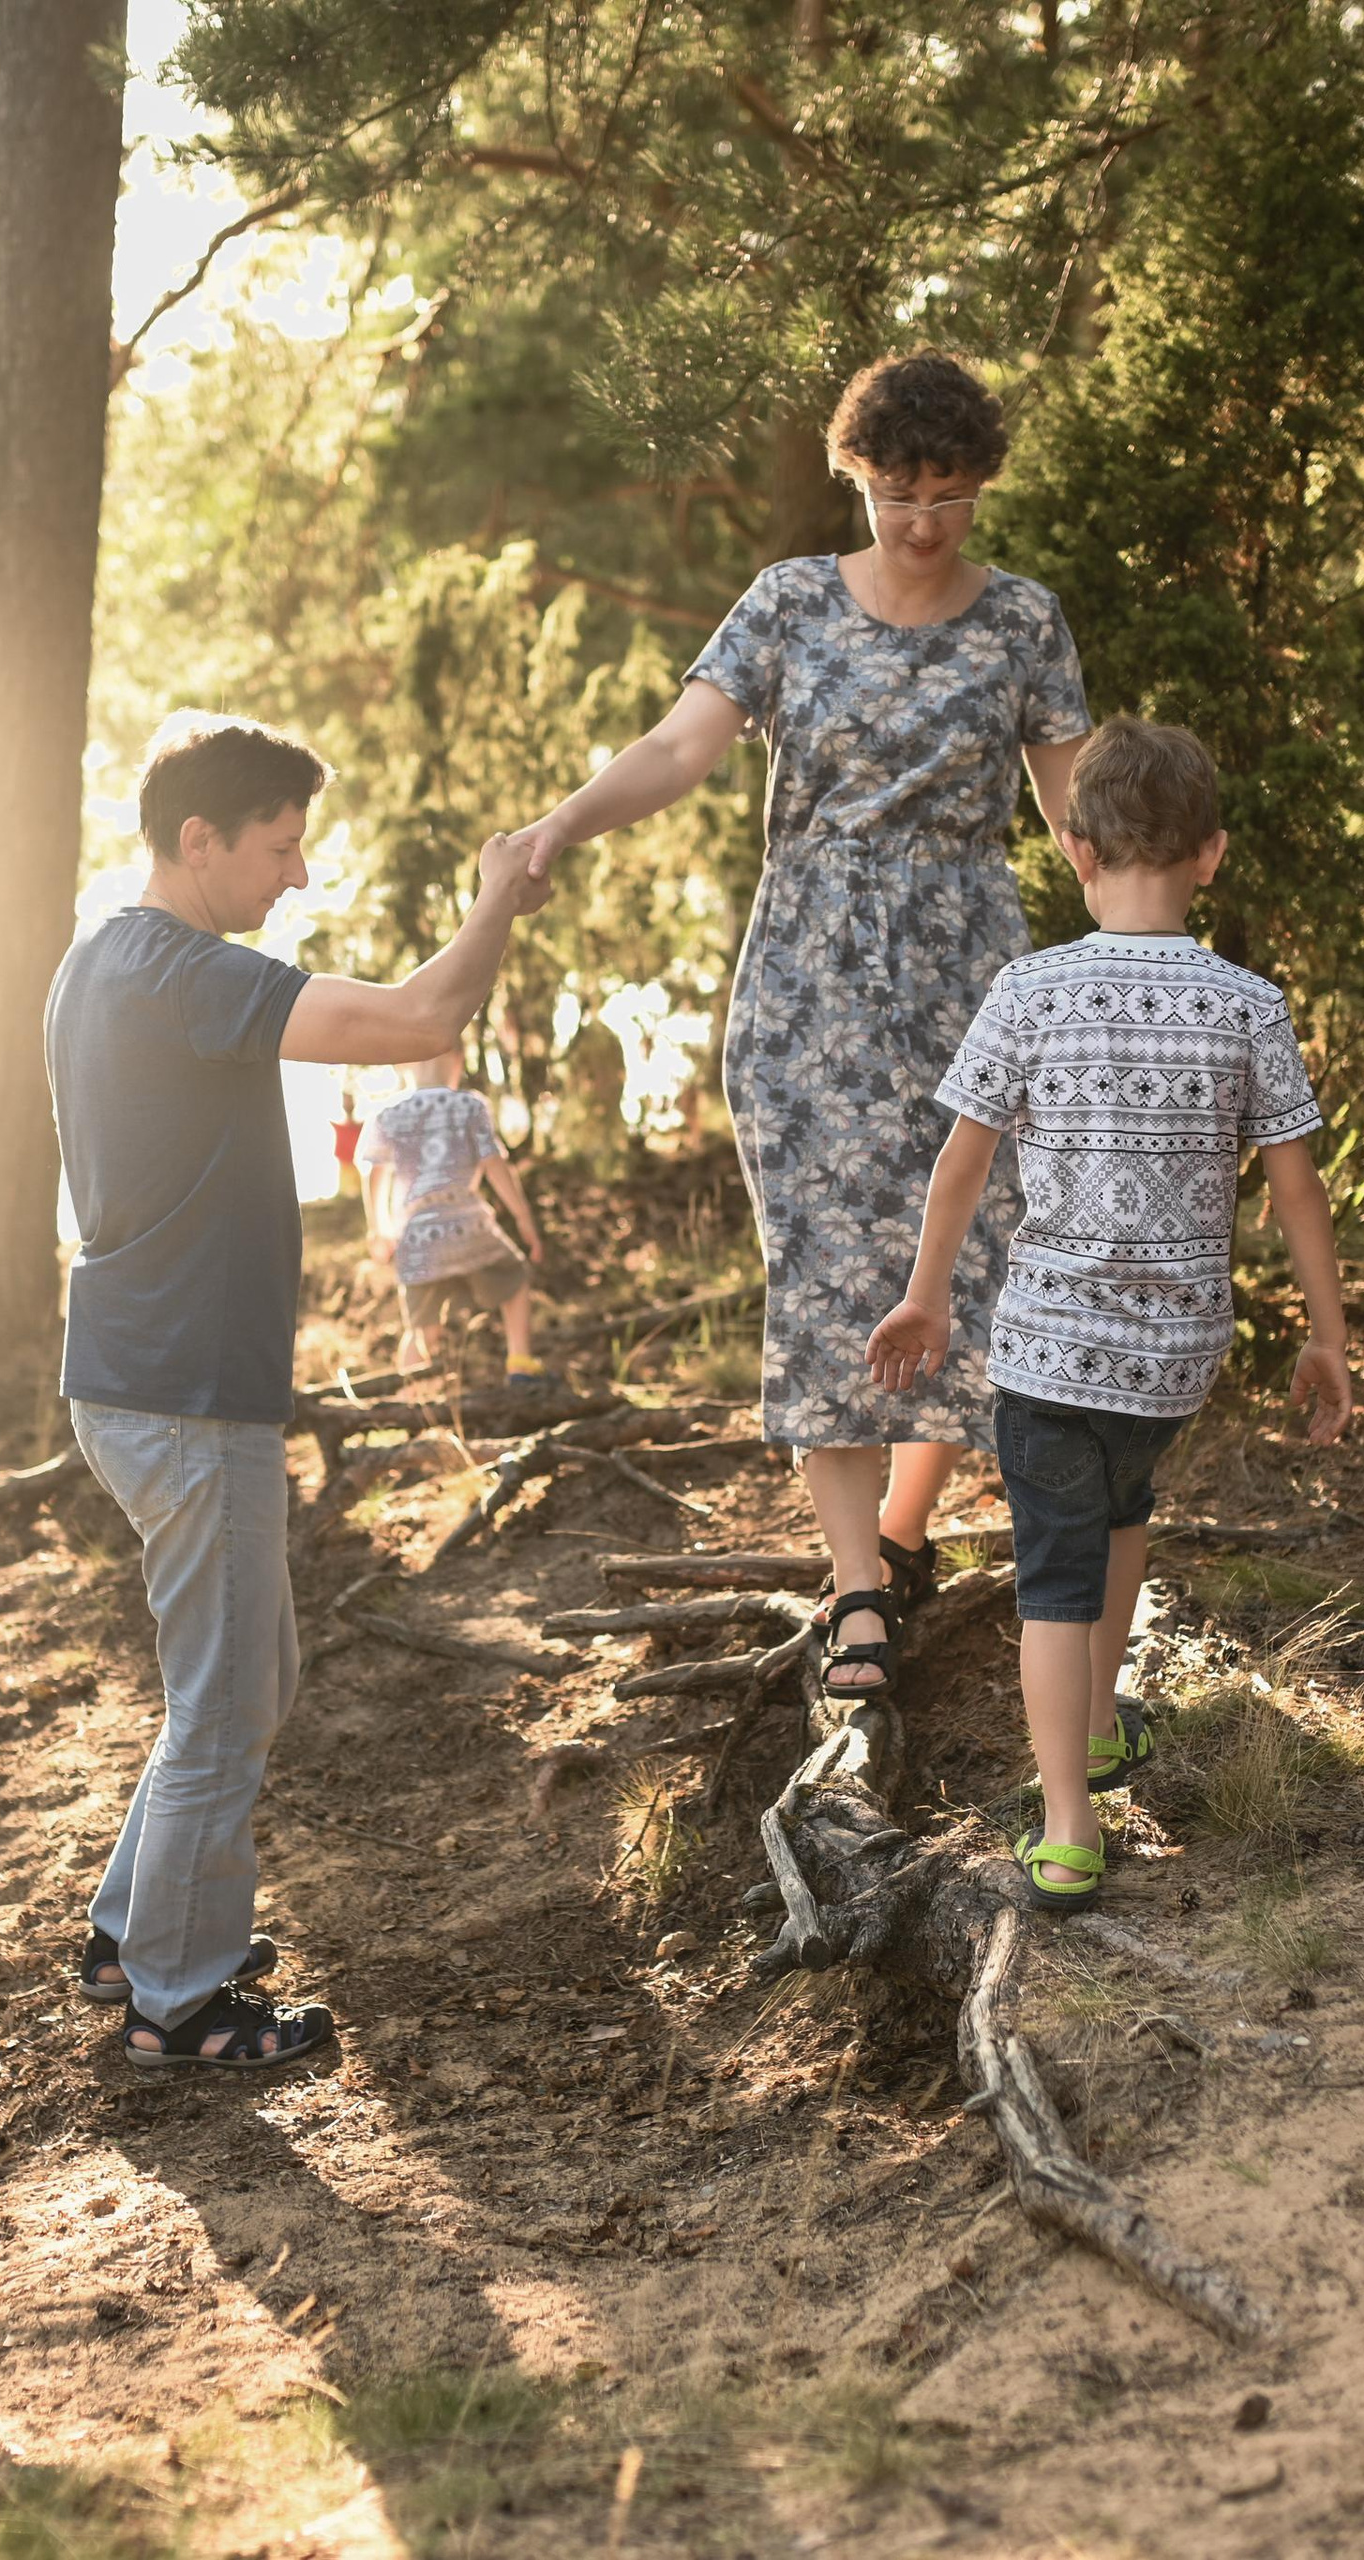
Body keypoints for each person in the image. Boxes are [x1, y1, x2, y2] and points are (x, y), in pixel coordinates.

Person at [505, 348, 1094, 1700]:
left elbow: (1079, 821)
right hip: (809, 982)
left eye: (953, 496)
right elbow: (675, 749)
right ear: (856, 478)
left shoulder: (1024, 624)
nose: (925, 523)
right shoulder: (785, 606)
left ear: (983, 488)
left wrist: (1155, 950)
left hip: (969, 975)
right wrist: (559, 826)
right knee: (829, 1275)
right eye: (897, 492)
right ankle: (854, 1595)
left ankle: (900, 1534)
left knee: (977, 1262)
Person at [46, 711, 542, 2070]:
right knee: (223, 1698)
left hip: (161, 1378)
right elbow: (421, 1019)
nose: (299, 876)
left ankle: (127, 1934)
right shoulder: (174, 969)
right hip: (185, 1388)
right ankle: (181, 2005)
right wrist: (498, 896)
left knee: (248, 1674)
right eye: (279, 846)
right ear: (197, 841)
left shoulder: (105, 959)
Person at [863, 717, 1355, 1912]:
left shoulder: (1031, 989)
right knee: (1122, 1513)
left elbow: (962, 1164)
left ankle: (1070, 1824)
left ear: (1075, 852)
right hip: (1173, 1356)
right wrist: (1327, 1335)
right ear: (1211, 854)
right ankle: (1092, 1728)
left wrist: (925, 1295)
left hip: (1048, 1347)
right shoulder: (1248, 1004)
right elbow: (1297, 1189)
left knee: (1052, 1577)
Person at [357, 1049, 547, 1378]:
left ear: (403, 1064)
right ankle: (520, 1363)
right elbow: (494, 1164)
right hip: (468, 1225)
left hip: (416, 1236)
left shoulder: (387, 1114)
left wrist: (379, 1229)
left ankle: (415, 1399)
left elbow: (372, 1173)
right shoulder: (470, 1106)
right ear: (457, 1062)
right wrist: (523, 1216)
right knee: (514, 1279)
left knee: (420, 1329)